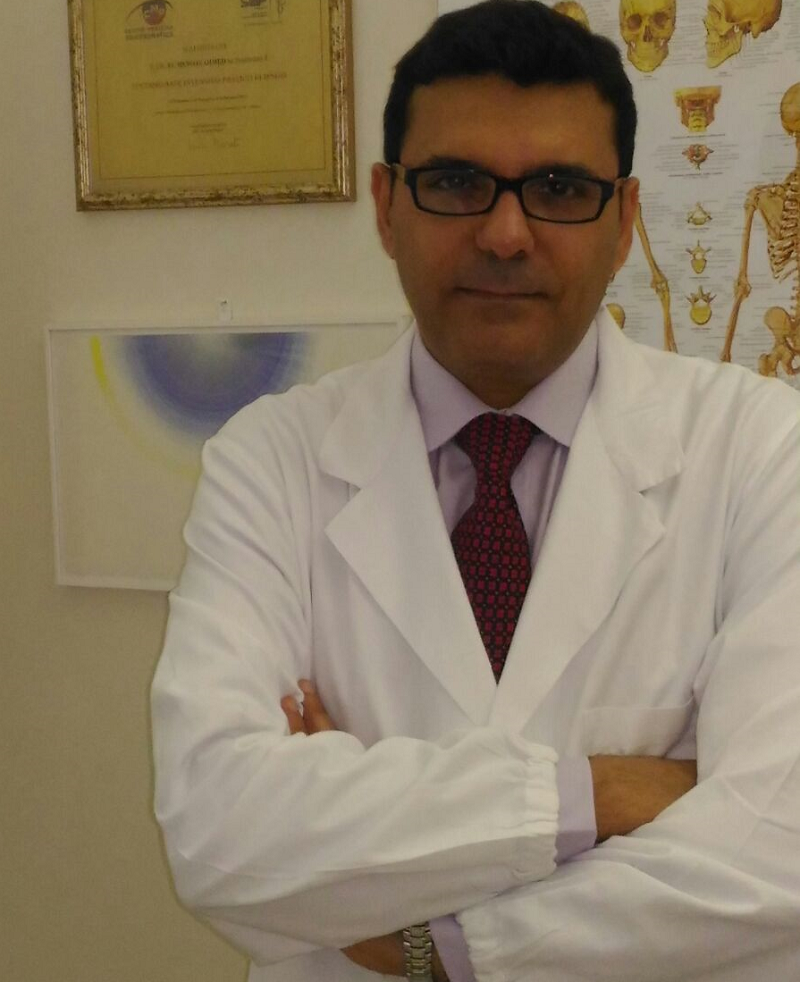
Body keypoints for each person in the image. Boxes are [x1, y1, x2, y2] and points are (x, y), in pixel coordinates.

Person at [151, 3, 800, 981]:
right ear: (386, 206)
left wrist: (438, 943)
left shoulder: (762, 450)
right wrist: (604, 795)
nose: (505, 233)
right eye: (456, 182)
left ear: (624, 221)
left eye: (559, 189)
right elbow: (217, 829)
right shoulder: (271, 461)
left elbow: (777, 847)